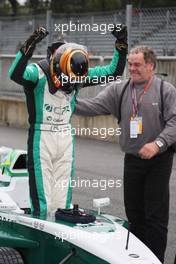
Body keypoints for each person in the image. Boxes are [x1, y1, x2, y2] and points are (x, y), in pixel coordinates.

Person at [9, 26, 128, 216]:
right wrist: (29, 45)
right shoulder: (37, 72)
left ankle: (60, 235)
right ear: (55, 60)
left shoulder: (77, 73)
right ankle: (42, 232)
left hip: (65, 135)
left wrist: (121, 44)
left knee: (63, 199)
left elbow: (113, 73)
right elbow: (15, 74)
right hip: (42, 136)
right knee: (43, 198)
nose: (71, 84)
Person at [75, 45, 176, 263]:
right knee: (135, 215)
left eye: (137, 64)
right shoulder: (119, 90)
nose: (132, 68)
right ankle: (136, 259)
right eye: (130, 64)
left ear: (150, 65)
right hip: (132, 160)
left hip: (159, 160)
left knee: (155, 218)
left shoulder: (165, 90)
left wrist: (158, 144)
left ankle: (155, 260)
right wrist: (65, 102)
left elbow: (175, 122)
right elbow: (92, 106)